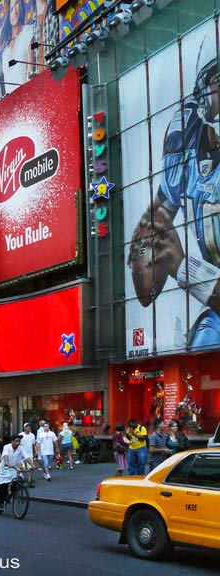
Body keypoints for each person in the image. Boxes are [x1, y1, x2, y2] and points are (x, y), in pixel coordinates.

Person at [127, 30, 220, 349]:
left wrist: (185, 267)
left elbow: (177, 261)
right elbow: (154, 220)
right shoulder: (187, 133)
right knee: (203, 341)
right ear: (203, 88)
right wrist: (141, 250)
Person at [0, 0, 35, 88]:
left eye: (17, 5)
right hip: (11, 99)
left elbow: (31, 70)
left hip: (26, 95)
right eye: (11, 9)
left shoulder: (27, 32)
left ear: (21, 8)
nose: (14, 12)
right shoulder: (5, 51)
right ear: (7, 15)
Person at [0, 434, 27, 513]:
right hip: (5, 469)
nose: (18, 443)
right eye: (16, 441)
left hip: (15, 468)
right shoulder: (7, 447)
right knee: (3, 486)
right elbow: (5, 455)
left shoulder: (21, 448)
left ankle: (12, 493)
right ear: (12, 441)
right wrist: (7, 463)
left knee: (19, 480)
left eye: (19, 441)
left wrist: (33, 466)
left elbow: (27, 457)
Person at [19, 423, 37, 487]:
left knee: (29, 468)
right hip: (21, 455)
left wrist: (35, 451)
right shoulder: (21, 435)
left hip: (29, 454)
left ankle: (29, 481)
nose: (28, 428)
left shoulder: (32, 435)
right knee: (21, 467)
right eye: (27, 426)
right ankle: (21, 477)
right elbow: (18, 444)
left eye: (29, 426)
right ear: (24, 428)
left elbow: (33, 444)